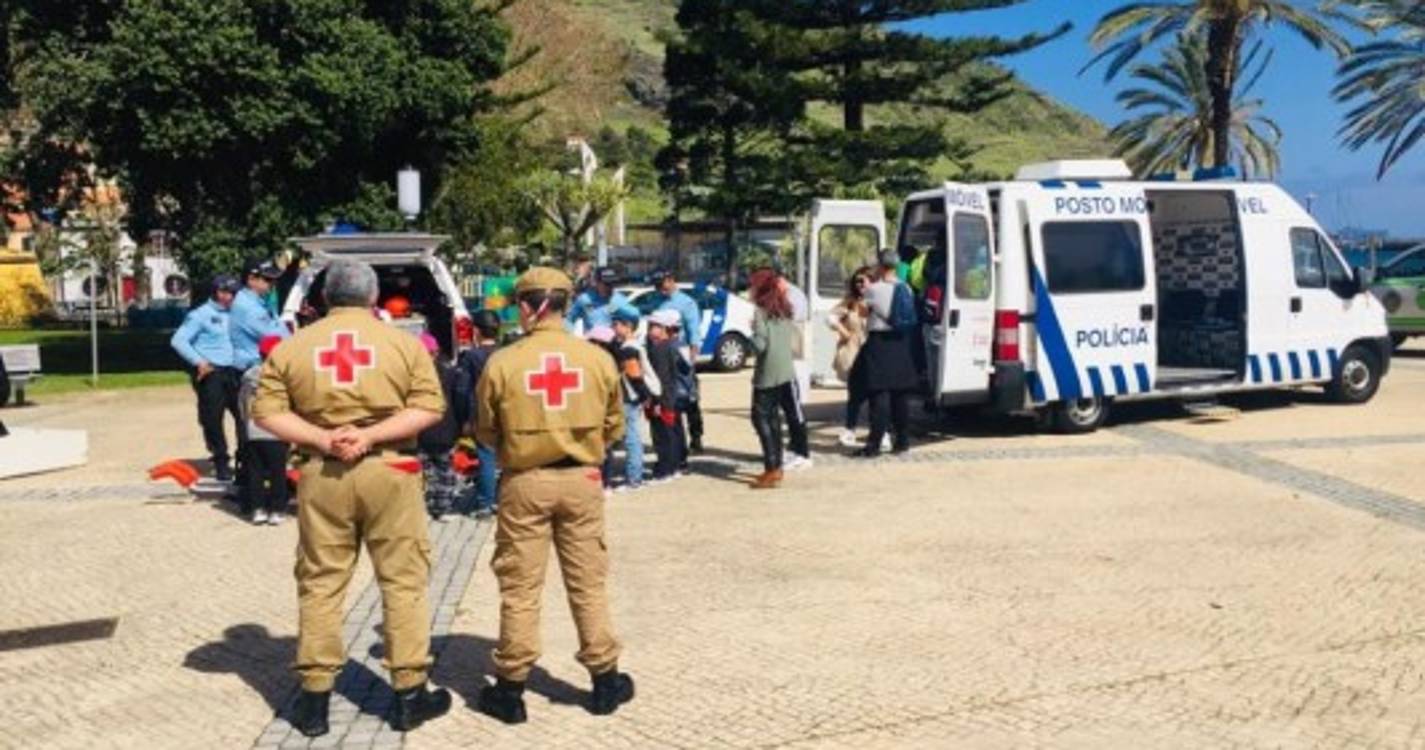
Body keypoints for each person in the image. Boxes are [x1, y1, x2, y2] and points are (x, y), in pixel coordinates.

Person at [252, 259, 451, 738]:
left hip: (323, 473)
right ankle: (408, 694)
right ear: (374, 297)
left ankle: (315, 701)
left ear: (322, 298)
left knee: (321, 581)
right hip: (391, 468)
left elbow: (265, 411)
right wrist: (370, 436)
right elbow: (429, 406)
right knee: (402, 580)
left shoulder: (292, 347)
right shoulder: (403, 345)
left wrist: (323, 440)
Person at [473, 267, 634, 724]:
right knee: (588, 583)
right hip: (582, 480)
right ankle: (605, 681)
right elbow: (616, 424)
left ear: (526, 306)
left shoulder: (502, 362)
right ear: (564, 304)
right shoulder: (598, 359)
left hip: (524, 481)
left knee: (520, 588)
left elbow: (485, 429)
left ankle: (509, 691)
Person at [171, 275, 244, 482]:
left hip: (234, 371)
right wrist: (198, 361)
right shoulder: (200, 315)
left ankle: (244, 458)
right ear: (219, 292)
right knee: (212, 419)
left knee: (243, 417)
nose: (233, 296)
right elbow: (179, 340)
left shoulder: (237, 314)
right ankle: (221, 460)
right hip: (212, 372)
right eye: (230, 292)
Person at [857, 250, 920, 457]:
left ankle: (874, 444)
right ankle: (902, 442)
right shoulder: (907, 288)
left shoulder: (873, 290)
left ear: (880, 265)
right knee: (900, 396)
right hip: (902, 344)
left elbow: (863, 312)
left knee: (879, 396)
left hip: (880, 344)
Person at [747, 269, 802, 490]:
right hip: (785, 370)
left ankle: (772, 468)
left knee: (760, 418)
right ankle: (776, 465)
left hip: (767, 372)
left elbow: (760, 345)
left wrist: (750, 335)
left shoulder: (760, 312)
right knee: (774, 420)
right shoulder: (785, 308)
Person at [648, 269, 704, 454]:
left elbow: (693, 331)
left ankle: (696, 436)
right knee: (670, 398)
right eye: (656, 286)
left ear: (671, 280)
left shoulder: (686, 303)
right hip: (661, 356)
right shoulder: (657, 300)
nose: (659, 289)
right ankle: (675, 442)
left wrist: (692, 360)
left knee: (690, 399)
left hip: (681, 356)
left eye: (661, 284)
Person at [238, 335, 291, 525]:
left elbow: (242, 404)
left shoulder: (249, 375)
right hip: (277, 430)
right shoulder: (284, 375)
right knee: (278, 472)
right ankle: (277, 509)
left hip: (254, 429)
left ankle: (257, 508)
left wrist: (246, 424)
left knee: (255, 471)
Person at [455, 310, 503, 518]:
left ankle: (486, 503)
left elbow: (463, 389)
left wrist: (463, 418)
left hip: (482, 414)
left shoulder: (471, 357)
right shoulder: (506, 353)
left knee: (486, 457)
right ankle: (503, 499)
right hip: (507, 412)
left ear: (476, 331)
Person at [417, 332, 465, 522]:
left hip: (421, 429)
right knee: (445, 470)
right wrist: (462, 423)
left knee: (426, 470)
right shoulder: (451, 374)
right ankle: (442, 506)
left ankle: (427, 504)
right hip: (446, 428)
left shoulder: (411, 376)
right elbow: (459, 399)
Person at [610, 309, 658, 493]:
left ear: (628, 326)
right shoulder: (628, 345)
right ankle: (634, 476)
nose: (613, 328)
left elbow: (635, 376)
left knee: (631, 439)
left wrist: (644, 396)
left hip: (629, 398)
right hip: (632, 397)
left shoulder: (629, 349)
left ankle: (634, 478)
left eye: (616, 324)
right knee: (632, 437)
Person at [829, 268, 874, 448]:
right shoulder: (850, 302)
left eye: (864, 281)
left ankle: (878, 431)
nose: (861, 285)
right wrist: (843, 331)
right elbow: (831, 318)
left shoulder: (877, 300)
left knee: (875, 394)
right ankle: (850, 430)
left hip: (873, 352)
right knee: (855, 394)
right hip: (854, 352)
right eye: (857, 281)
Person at [644, 310, 685, 483]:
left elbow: (661, 379)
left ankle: (665, 468)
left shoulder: (660, 349)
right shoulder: (671, 346)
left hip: (664, 399)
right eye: (650, 326)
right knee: (673, 433)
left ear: (665, 329)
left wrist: (658, 402)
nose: (651, 329)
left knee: (663, 435)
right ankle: (675, 465)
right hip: (671, 398)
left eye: (655, 326)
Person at [565, 267, 638, 332]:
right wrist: (570, 337)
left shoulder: (617, 299)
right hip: (590, 343)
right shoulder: (585, 299)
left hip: (611, 344)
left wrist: (618, 307)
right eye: (606, 283)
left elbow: (635, 315)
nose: (610, 287)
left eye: (612, 283)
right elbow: (569, 319)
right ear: (597, 282)